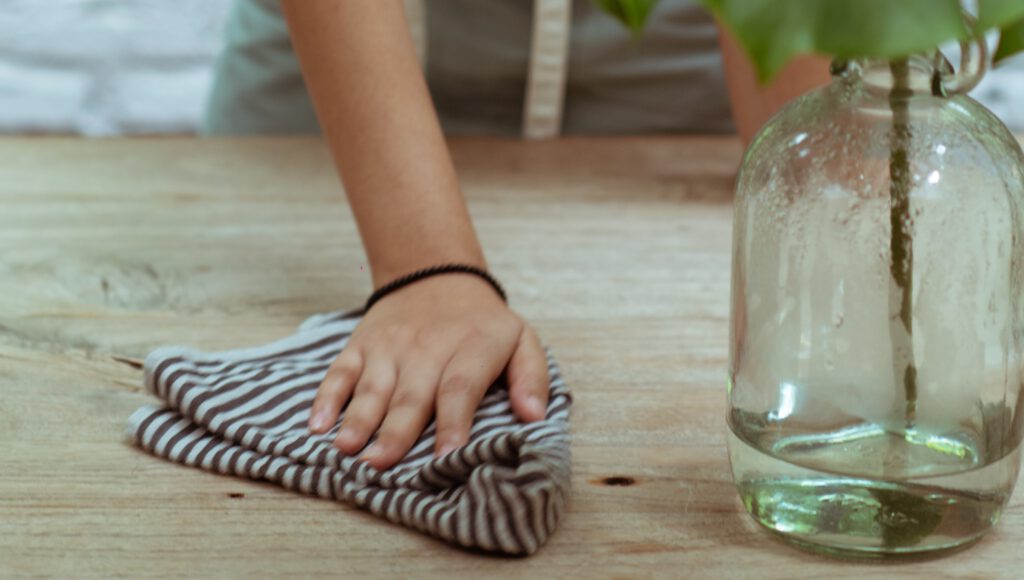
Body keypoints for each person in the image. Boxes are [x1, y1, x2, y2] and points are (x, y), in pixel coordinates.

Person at [202, 0, 829, 471]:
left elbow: (817, 199)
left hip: (679, 67)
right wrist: (427, 270)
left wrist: (822, 210)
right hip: (346, 69)